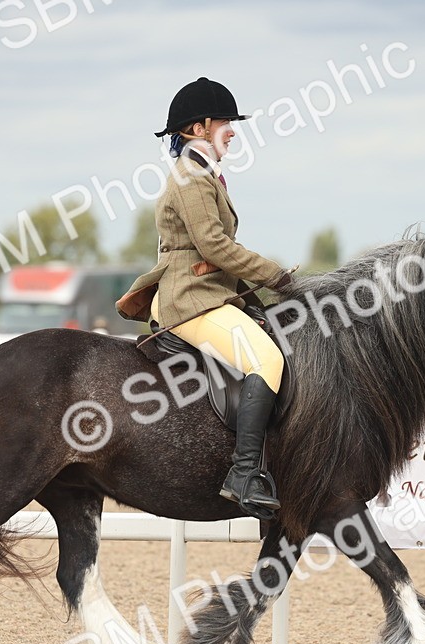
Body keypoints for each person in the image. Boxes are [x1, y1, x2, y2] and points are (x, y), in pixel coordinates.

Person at [116, 77, 292, 520]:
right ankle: (245, 472)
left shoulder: (204, 174)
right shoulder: (192, 179)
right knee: (267, 361)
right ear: (198, 128)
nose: (232, 131)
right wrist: (279, 277)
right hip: (192, 300)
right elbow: (214, 245)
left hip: (210, 294)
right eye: (225, 123)